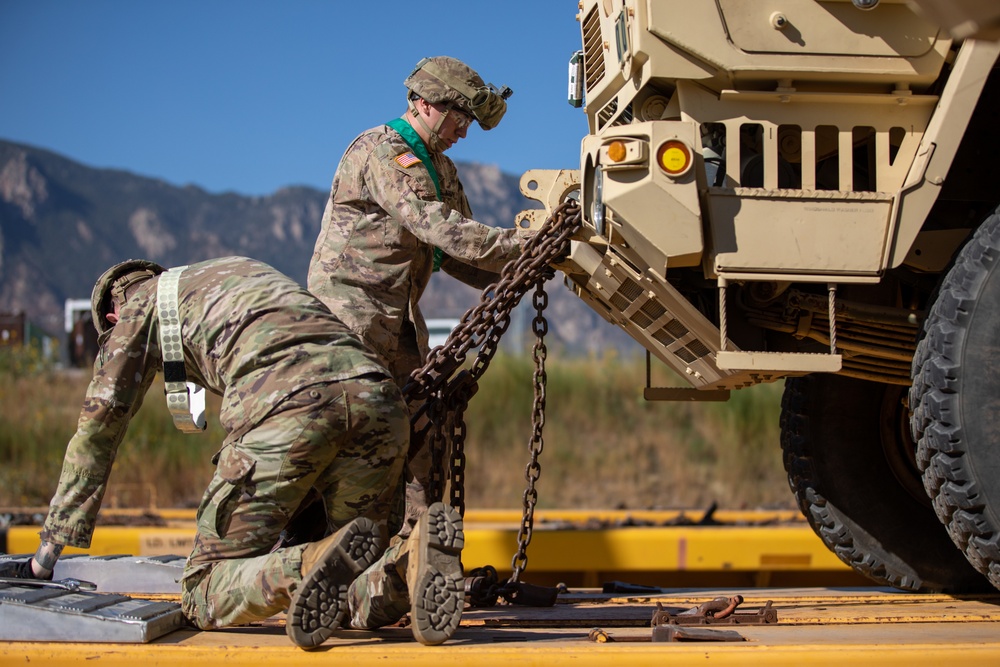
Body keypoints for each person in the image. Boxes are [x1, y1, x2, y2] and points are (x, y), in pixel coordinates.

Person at [0, 256, 455, 649]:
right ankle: (405, 568)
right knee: (348, 590)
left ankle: (310, 560)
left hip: (291, 406)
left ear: (112, 317)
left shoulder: (136, 312)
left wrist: (47, 555)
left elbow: (95, 434)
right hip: (379, 402)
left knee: (203, 590)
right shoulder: (232, 274)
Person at [307, 56, 528, 642]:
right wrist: (524, 245)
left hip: (399, 324)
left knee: (423, 437)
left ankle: (407, 567)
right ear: (426, 104)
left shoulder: (441, 168)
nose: (464, 129)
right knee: (362, 449)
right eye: (458, 116)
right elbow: (437, 227)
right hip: (347, 324)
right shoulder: (384, 153)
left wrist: (530, 266)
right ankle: (336, 574)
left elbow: (461, 256)